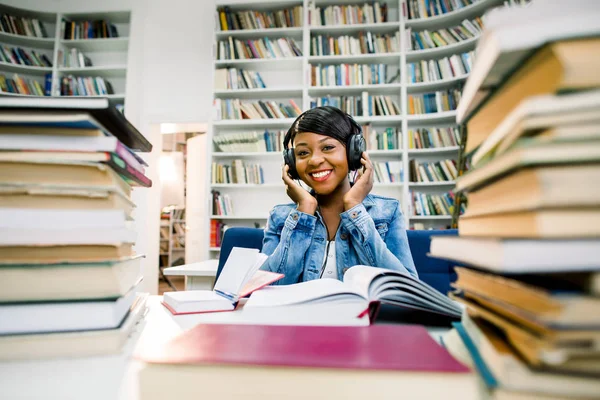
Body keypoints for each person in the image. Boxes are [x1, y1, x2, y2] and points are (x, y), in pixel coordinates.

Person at [260, 106, 417, 284]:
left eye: (327, 147)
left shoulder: (388, 212)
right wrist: (304, 211)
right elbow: (265, 290)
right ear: (292, 163)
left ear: (353, 153)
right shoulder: (279, 217)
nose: (314, 160)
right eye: (303, 153)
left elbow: (406, 289)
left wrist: (354, 207)